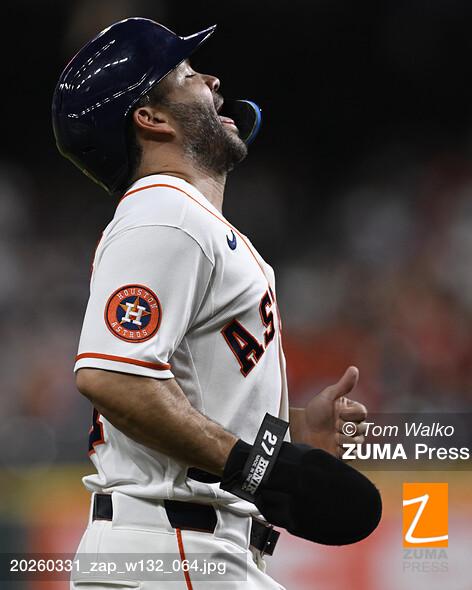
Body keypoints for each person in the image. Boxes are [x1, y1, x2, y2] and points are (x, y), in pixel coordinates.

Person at [52, 17, 379, 590]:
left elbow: (192, 395)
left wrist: (290, 435)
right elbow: (113, 377)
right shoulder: (164, 212)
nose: (212, 80)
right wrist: (262, 468)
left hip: (191, 549)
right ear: (150, 118)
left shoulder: (184, 220)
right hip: (174, 548)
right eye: (186, 74)